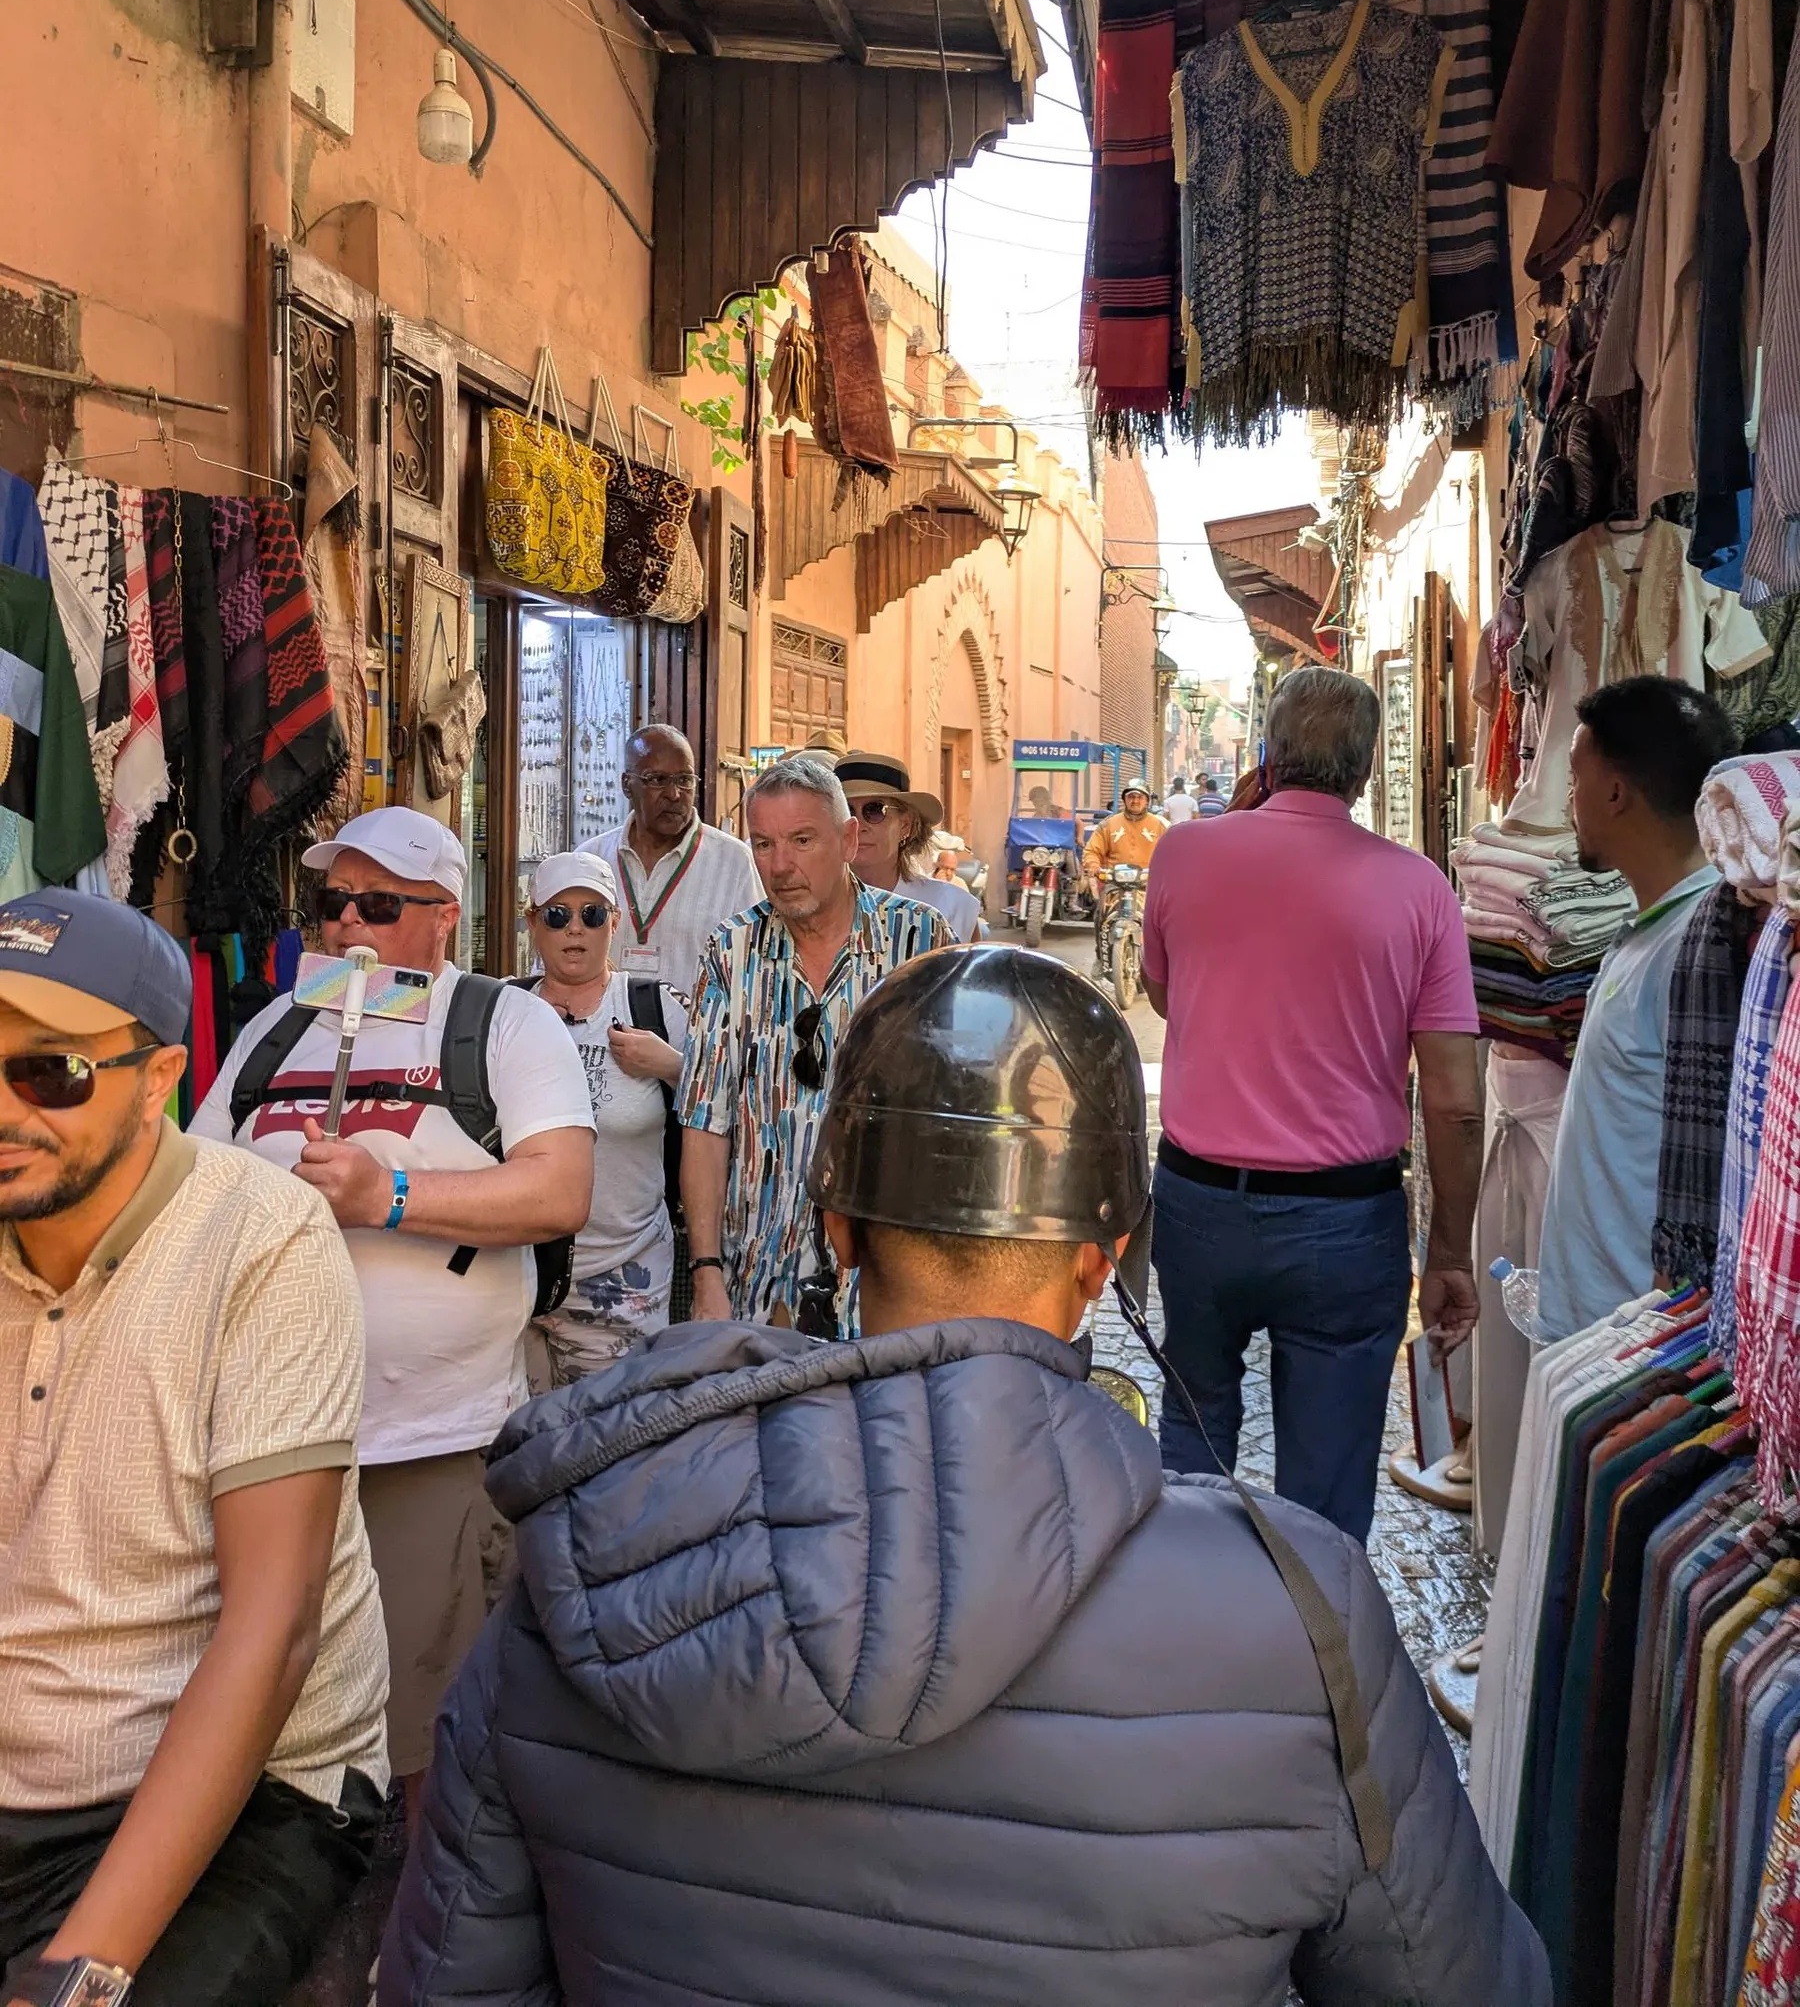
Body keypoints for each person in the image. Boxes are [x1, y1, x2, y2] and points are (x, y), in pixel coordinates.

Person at [379, 949, 1549, 2007]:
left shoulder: (592, 1554)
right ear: (1103, 1263)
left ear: (836, 1229)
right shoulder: (1301, 1612)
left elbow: (449, 1979)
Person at [0, 891, 388, 2006]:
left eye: (51, 1073)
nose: (7, 1107)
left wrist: (80, 1974)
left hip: (258, 1785)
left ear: (161, 1077)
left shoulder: (259, 1238)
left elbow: (273, 1630)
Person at [188, 806, 593, 1816]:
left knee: (423, 1718)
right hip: (269, 1443)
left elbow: (557, 1191)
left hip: (429, 1441)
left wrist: (389, 1197)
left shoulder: (504, 1022)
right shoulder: (276, 1029)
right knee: (261, 1704)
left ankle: (410, 1932)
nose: (346, 925)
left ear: (444, 916)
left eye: (379, 903)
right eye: (331, 903)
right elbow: (195, 1185)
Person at [1141, 667, 1483, 1543]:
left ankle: (1178, 1624)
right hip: (1346, 1223)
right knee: (1326, 1489)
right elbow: (1453, 1101)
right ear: (1365, 774)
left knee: (1192, 1437)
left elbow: (1170, 998)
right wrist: (1448, 1249)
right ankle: (1315, 1660)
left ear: (1267, 750)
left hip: (1200, 1208)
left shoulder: (1182, 854)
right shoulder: (1420, 889)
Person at [677, 755, 951, 1327]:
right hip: (755, 1282)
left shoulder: (920, 940)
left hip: (888, 1285)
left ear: (849, 839)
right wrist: (705, 1271)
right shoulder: (730, 951)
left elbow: (951, 1115)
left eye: (802, 840)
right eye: (763, 844)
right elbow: (705, 1121)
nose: (780, 866)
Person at [1536, 676, 1737, 1342]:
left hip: (1639, 1340)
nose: (1570, 802)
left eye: (1575, 779)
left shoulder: (1701, 950)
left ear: (1616, 793)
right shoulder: (1651, 926)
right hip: (1600, 1325)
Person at [515, 852, 687, 1385]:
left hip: (625, 1280)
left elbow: (723, 1111)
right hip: (515, 1274)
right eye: (557, 915)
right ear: (532, 923)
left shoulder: (655, 1009)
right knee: (515, 1454)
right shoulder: (502, 1010)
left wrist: (673, 1067)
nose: (575, 929)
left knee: (612, 1449)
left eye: (592, 915)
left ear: (614, 923)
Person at [580, 723, 760, 999]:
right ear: (627, 784)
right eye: (657, 780)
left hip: (693, 1039)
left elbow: (754, 967)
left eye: (684, 780)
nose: (674, 794)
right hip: (601, 1036)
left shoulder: (734, 863)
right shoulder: (590, 860)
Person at [835, 748, 983, 941]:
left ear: (905, 825)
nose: (858, 825)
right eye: (847, 811)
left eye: (875, 810)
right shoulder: (807, 906)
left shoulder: (952, 907)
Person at [1081, 775, 1167, 890]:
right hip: (1114, 885)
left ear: (1147, 801)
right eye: (1131, 797)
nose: (1135, 801)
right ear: (1124, 800)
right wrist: (1093, 865)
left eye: (1139, 797)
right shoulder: (1108, 824)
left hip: (1149, 885)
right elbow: (1092, 850)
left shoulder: (1160, 825)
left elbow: (1173, 854)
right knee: (1100, 905)